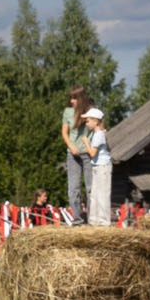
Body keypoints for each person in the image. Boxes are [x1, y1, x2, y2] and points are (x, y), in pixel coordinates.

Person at [62, 87, 92, 221]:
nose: (72, 101)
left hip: (88, 154)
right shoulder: (68, 112)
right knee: (73, 189)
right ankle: (78, 218)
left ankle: (91, 217)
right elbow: (64, 132)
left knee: (90, 188)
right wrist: (70, 146)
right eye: (71, 98)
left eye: (74, 98)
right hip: (72, 155)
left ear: (81, 98)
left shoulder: (91, 111)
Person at [82, 107, 113, 226]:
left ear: (96, 121)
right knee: (94, 194)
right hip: (97, 167)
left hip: (103, 167)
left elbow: (92, 153)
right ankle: (94, 220)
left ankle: (104, 221)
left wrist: (85, 142)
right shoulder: (97, 134)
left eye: (88, 121)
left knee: (102, 194)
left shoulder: (99, 135)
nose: (87, 123)